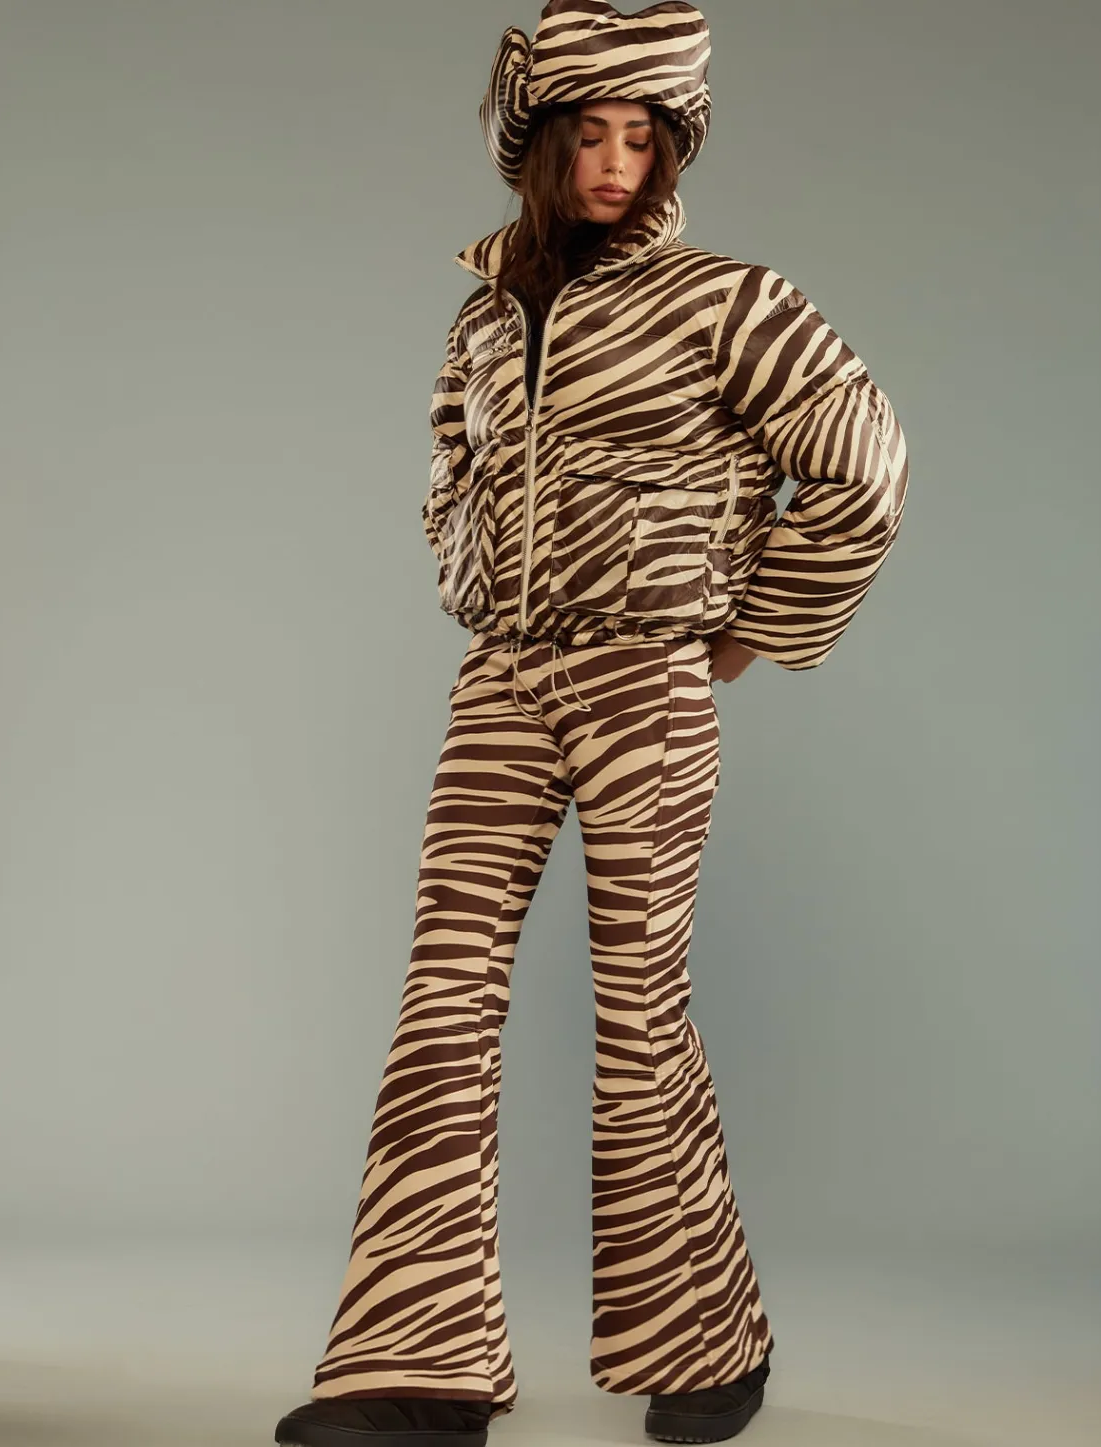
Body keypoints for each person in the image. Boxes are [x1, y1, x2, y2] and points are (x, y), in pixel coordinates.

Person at [275, 3, 909, 1444]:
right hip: (503, 676)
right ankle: (415, 1364)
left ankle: (706, 1345)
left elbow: (864, 462)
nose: (616, 161)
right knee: (441, 997)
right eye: (589, 135)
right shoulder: (483, 317)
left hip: (643, 681)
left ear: (671, 148)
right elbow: (450, 474)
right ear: (539, 145)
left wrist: (747, 627)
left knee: (638, 1002)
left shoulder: (729, 302)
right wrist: (476, 576)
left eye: (643, 135)